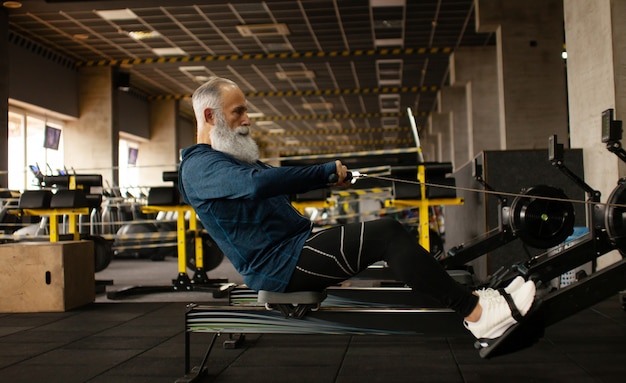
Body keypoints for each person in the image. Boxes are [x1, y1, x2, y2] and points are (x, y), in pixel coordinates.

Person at [178, 76, 536, 344]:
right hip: (278, 266)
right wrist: (322, 172)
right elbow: (258, 184)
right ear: (210, 116)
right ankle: (477, 314)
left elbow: (273, 178)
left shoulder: (226, 161)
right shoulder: (200, 166)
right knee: (387, 233)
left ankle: (479, 301)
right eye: (238, 111)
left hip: (293, 250)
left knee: (387, 234)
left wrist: (331, 177)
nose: (247, 119)